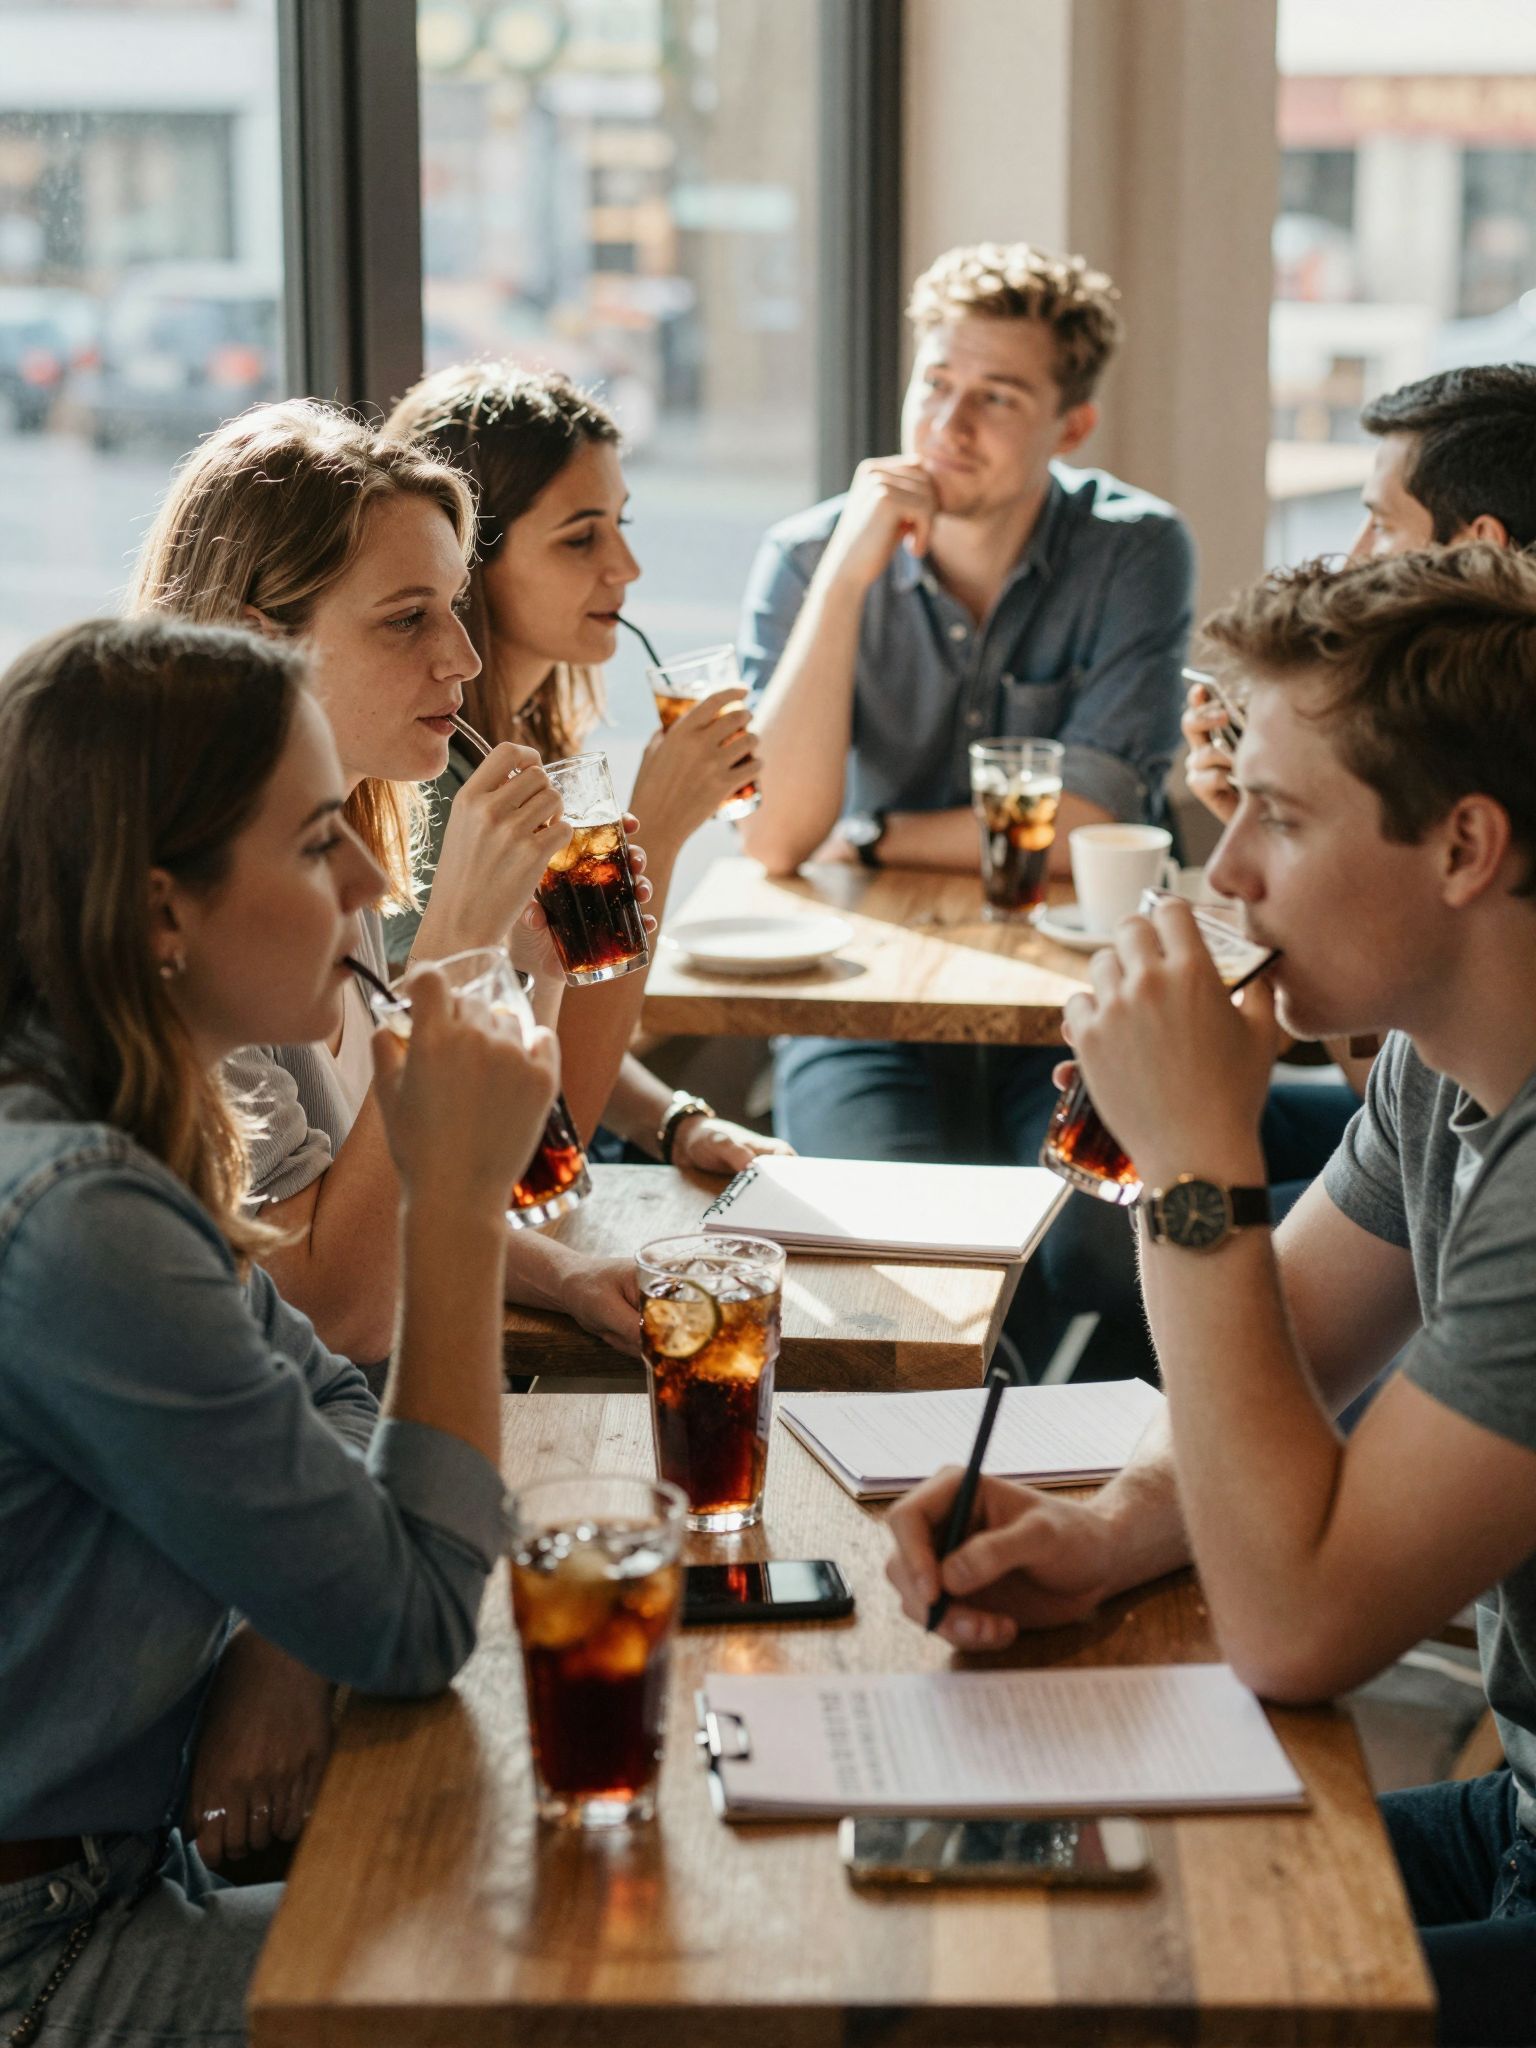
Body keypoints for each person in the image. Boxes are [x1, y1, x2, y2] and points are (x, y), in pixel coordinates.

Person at [886, 544, 1536, 2046]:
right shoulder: (1441, 1066)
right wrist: (1104, 1533)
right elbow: (1282, 1347)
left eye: (1280, 819)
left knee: (1095, 2012)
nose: (1226, 870)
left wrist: (1197, 1157)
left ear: (1465, 848)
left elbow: (1301, 1627)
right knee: (1016, 1913)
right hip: (1520, 1813)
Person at [0, 615, 558, 2045]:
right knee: (557, 1983)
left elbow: (330, 1402)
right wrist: (458, 1205)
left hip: (117, 1875)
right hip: (41, 1956)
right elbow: (419, 1615)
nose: (374, 879)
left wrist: (276, 1624)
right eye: (319, 843)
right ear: (159, 911)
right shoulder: (76, 1221)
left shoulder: (98, 1137)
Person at [733, 241, 1193, 1371]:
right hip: (864, 1016)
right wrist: (848, 572)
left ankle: (1042, 1473)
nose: (952, 422)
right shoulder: (804, 555)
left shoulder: (1135, 551)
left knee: (1097, 1250)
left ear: (1071, 425)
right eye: (936, 382)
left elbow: (1090, 821)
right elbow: (779, 832)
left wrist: (881, 835)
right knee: (894, 1272)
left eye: (998, 396)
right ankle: (971, 1484)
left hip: (1075, 1019)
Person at [128, 399, 647, 1364]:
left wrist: (532, 964)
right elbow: (337, 1311)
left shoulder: (345, 847)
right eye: (409, 619)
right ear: (260, 646)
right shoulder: (178, 930)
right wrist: (457, 936)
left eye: (454, 607)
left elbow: (457, 1179)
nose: (463, 655)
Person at [384, 361, 788, 1175]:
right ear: (467, 562)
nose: (626, 569)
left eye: (621, 524)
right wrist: (659, 835)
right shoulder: (425, 785)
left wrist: (671, 1119)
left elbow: (542, 1009)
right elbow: (557, 1113)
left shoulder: (522, 740)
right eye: (581, 538)